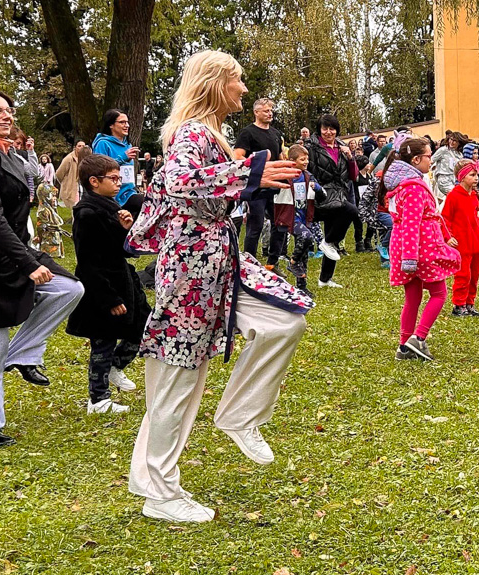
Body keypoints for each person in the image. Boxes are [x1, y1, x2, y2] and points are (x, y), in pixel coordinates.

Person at [125, 50, 310, 523]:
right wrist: (247, 174)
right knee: (175, 380)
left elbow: (197, 184)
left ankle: (237, 416)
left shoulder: (210, 132)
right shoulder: (190, 131)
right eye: (239, 81)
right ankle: (160, 492)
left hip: (219, 259)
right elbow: (181, 181)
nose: (245, 90)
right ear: (214, 83)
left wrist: (247, 176)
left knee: (285, 318)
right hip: (190, 269)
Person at [0, 88, 84, 449]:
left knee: (70, 288)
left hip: (13, 251)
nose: (6, 116)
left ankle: (22, 354)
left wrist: (30, 256)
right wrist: (28, 264)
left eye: (8, 110)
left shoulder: (11, 154)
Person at [66, 154, 151, 413]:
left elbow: (124, 250)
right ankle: (98, 399)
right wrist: (109, 299)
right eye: (113, 179)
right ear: (94, 181)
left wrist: (126, 229)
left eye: (119, 177)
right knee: (102, 341)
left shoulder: (112, 207)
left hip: (124, 280)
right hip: (101, 288)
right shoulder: (87, 213)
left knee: (145, 325)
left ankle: (116, 366)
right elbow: (89, 261)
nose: (118, 183)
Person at [381, 134, 460, 361]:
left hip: (408, 248)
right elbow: (412, 224)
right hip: (419, 250)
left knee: (413, 297)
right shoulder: (414, 188)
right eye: (428, 156)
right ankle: (418, 338)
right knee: (439, 293)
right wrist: (410, 258)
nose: (431, 161)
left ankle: (404, 346)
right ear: (415, 160)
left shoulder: (401, 185)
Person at [304, 114, 360, 288]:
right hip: (320, 195)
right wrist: (316, 188)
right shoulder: (311, 147)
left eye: (332, 128)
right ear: (319, 130)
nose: (329, 132)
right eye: (325, 128)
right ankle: (325, 244)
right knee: (351, 211)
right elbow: (305, 169)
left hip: (340, 194)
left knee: (332, 236)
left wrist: (350, 157)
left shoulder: (342, 147)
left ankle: (325, 279)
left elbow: (354, 175)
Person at [233, 98, 286, 267]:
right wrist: (259, 165)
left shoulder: (276, 133)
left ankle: (273, 262)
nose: (270, 113)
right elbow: (238, 156)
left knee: (279, 224)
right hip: (257, 185)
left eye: (271, 110)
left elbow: (280, 158)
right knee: (255, 225)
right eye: (265, 111)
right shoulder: (247, 133)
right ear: (256, 112)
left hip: (276, 185)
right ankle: (249, 264)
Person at [273, 144, 327, 297]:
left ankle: (301, 286)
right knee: (306, 237)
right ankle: (293, 262)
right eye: (302, 159)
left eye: (307, 159)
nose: (306, 162)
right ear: (292, 160)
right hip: (290, 217)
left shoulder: (308, 176)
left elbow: (323, 196)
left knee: (304, 252)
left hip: (305, 217)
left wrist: (316, 187)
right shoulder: (285, 176)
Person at [442, 159, 479, 317]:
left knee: (474, 274)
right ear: (461, 177)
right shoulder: (453, 196)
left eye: (477, 175)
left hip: (475, 241)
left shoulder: (474, 195)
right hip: (461, 242)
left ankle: (470, 303)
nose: (476, 178)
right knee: (463, 274)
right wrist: (448, 237)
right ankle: (459, 304)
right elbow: (444, 219)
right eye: (472, 175)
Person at [92, 109, 142, 213]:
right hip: (111, 197)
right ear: (111, 125)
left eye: (127, 122)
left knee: (148, 205)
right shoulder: (103, 144)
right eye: (122, 122)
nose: (127, 125)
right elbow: (99, 168)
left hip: (129, 194)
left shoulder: (128, 145)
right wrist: (123, 158)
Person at [34, 182, 67, 257]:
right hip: (48, 238)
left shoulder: (51, 209)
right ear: (45, 196)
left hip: (54, 236)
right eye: (52, 196)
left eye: (55, 196)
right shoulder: (43, 211)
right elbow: (40, 226)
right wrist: (39, 236)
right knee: (48, 253)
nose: (54, 198)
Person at [431, 131, 464, 204]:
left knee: (453, 200)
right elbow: (431, 160)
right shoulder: (443, 150)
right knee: (456, 197)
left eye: (454, 141)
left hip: (454, 180)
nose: (451, 142)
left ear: (459, 142)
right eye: (451, 139)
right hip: (443, 179)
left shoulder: (459, 154)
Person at [55, 141, 87, 211]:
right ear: (75, 148)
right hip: (73, 189)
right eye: (79, 146)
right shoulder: (69, 158)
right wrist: (66, 183)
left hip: (82, 188)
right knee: (75, 208)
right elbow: (58, 173)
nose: (81, 148)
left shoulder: (85, 158)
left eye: (83, 146)